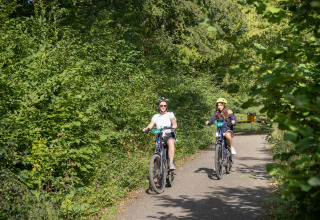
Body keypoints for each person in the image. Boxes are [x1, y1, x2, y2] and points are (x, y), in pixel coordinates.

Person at [143, 97, 178, 170]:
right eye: (161, 105)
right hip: (160, 136)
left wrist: (174, 124)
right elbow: (151, 124)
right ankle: (157, 173)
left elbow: (173, 120)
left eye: (165, 105)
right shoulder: (156, 116)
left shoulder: (170, 114)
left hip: (169, 134)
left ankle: (171, 163)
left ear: (166, 106)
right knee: (158, 153)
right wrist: (146, 128)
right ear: (158, 106)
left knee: (171, 142)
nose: (163, 107)